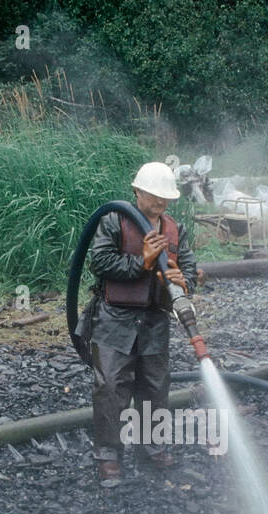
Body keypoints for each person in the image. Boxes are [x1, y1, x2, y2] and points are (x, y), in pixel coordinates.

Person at [87, 161, 196, 485]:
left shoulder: (175, 229)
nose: (160, 202)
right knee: (110, 386)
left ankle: (154, 445)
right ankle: (108, 455)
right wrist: (143, 262)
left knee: (155, 385)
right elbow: (99, 261)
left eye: (165, 196)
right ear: (137, 191)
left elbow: (190, 267)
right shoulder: (114, 220)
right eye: (154, 195)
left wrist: (184, 279)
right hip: (114, 317)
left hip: (154, 319)